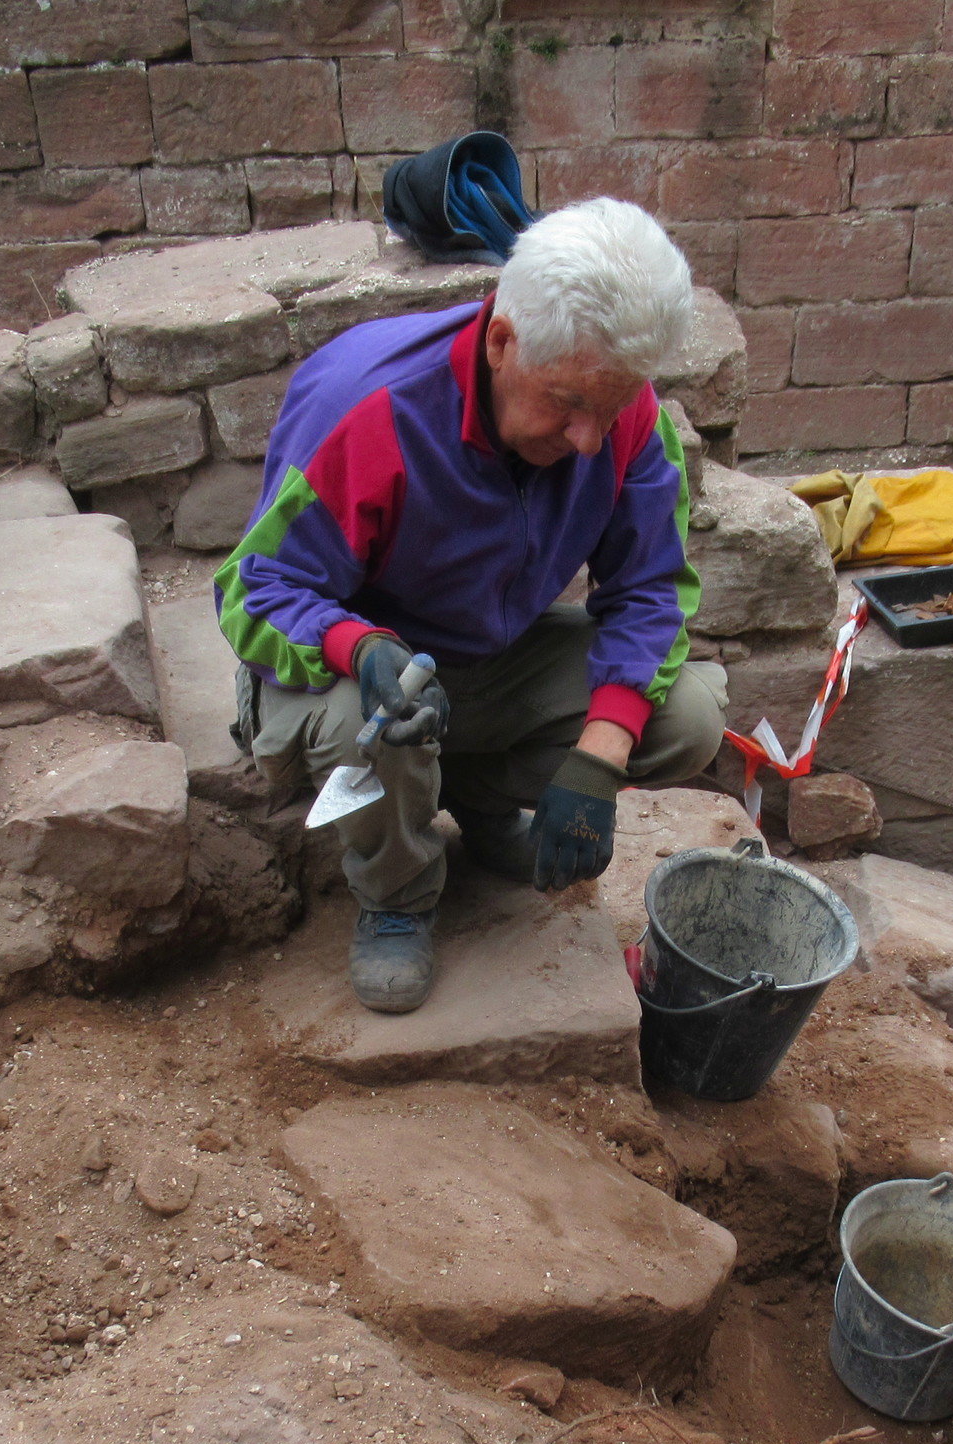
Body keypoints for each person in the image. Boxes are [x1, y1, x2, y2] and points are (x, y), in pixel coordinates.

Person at [215, 197, 727, 1013]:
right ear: (500, 341)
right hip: (350, 667)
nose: (591, 438)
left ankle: (475, 802)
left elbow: (650, 591)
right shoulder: (372, 411)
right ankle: (397, 893)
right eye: (569, 403)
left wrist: (597, 761)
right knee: (367, 717)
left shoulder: (623, 415)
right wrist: (358, 646)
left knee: (686, 719)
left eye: (613, 405)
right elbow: (256, 588)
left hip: (487, 659)